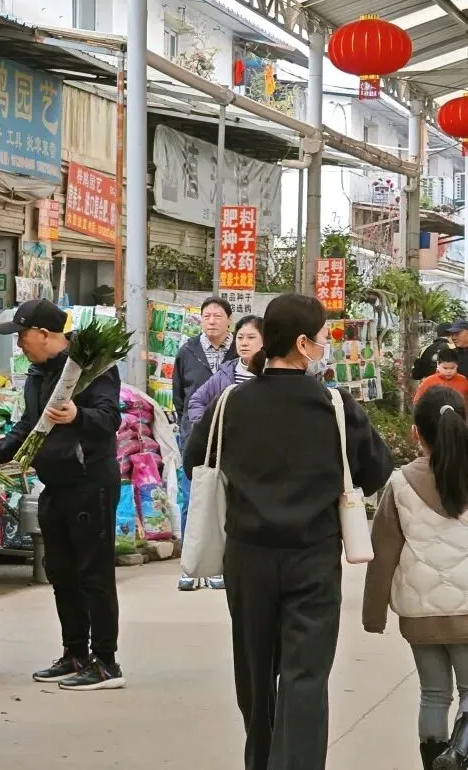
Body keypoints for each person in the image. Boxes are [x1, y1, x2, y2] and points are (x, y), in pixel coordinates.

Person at [183, 293, 393, 770]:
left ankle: (260, 760)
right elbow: (376, 469)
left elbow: (198, 460)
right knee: (306, 676)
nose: (323, 346)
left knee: (256, 674)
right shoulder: (334, 406)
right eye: (320, 338)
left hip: (248, 556)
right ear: (301, 343)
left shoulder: (231, 402)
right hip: (313, 557)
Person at [0, 299, 124, 690]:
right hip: (54, 486)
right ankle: (75, 653)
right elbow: (27, 426)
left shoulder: (93, 366)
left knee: (94, 575)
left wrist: (78, 416)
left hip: (90, 484)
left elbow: (110, 419)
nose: (19, 344)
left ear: (43, 334)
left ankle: (106, 662)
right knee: (62, 573)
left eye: (21, 336)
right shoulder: (37, 374)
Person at [363, 386, 468, 770]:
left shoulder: (400, 483)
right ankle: (459, 754)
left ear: (415, 433)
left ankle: (437, 762)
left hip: (420, 615)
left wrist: (373, 614)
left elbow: (383, 552)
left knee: (434, 695)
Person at [182, 314, 264, 592]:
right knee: (222, 510)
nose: (244, 343)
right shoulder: (227, 372)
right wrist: (207, 426)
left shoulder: (271, 375)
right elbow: (196, 400)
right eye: (240, 337)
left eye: (251, 337)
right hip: (229, 455)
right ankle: (214, 565)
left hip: (261, 458)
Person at [173, 296, 237, 448]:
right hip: (195, 433)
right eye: (206, 316)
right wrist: (187, 426)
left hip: (234, 434)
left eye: (218, 316)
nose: (211, 321)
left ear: (229, 319)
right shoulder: (187, 351)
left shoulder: (240, 350)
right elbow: (178, 396)